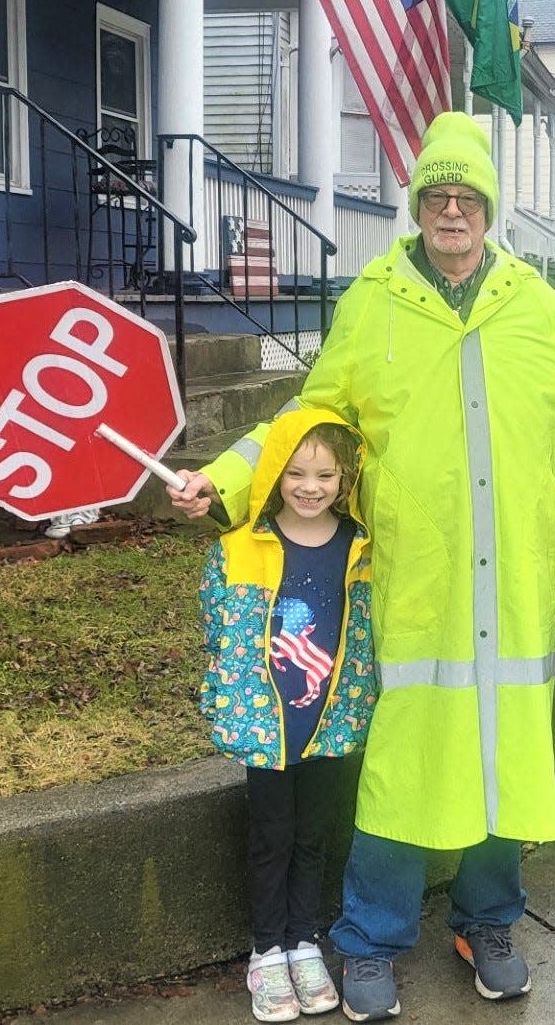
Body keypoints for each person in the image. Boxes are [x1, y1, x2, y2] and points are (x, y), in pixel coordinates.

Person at [170, 112, 555, 1022]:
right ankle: (370, 934)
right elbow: (310, 410)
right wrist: (222, 475)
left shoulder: (528, 295)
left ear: (487, 207)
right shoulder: (372, 299)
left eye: (468, 196)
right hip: (418, 585)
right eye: (437, 195)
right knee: (404, 761)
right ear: (418, 206)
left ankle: (488, 921)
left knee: (504, 760)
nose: (452, 210)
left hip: (514, 583)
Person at [198, 407, 377, 1022]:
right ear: (275, 473)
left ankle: (305, 941)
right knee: (271, 838)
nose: (310, 486)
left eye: (325, 475)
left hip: (329, 722)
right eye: (297, 472)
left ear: (344, 479)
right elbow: (217, 631)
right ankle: (266, 951)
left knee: (312, 836)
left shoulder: (361, 548)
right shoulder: (242, 548)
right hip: (268, 726)